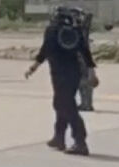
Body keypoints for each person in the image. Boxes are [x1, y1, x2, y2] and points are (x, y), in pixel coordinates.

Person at [25, 8, 97, 155]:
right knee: (63, 103)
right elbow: (85, 51)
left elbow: (45, 50)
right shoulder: (76, 31)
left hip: (59, 73)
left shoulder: (52, 30)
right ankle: (59, 137)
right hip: (74, 73)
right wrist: (92, 72)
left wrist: (34, 67)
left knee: (64, 104)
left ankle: (80, 141)